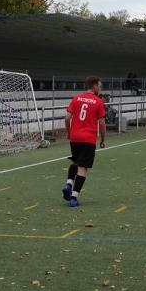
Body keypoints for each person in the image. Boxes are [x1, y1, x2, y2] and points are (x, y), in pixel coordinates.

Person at [62, 76, 106, 207]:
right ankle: (74, 198)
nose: (100, 88)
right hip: (88, 139)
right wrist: (103, 139)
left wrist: (70, 133)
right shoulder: (98, 102)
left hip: (75, 137)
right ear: (94, 86)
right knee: (83, 167)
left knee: (75, 161)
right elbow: (102, 123)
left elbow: (67, 118)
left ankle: (69, 183)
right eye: (100, 86)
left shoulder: (76, 99)